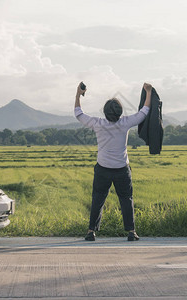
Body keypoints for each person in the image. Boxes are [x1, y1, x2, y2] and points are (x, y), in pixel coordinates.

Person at [74, 82, 152, 241]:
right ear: (120, 112)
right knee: (126, 199)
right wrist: (149, 92)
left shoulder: (98, 124)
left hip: (102, 168)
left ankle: (91, 232)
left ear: (104, 112)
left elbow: (78, 113)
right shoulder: (125, 123)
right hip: (122, 169)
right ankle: (131, 232)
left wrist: (78, 94)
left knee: (98, 198)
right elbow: (144, 112)